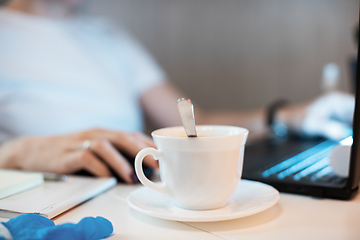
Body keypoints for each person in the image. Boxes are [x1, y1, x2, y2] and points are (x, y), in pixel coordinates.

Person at [0, 0, 355, 184]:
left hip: (134, 198)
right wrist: (18, 152)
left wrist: (288, 117)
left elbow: (197, 123)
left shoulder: (106, 35)